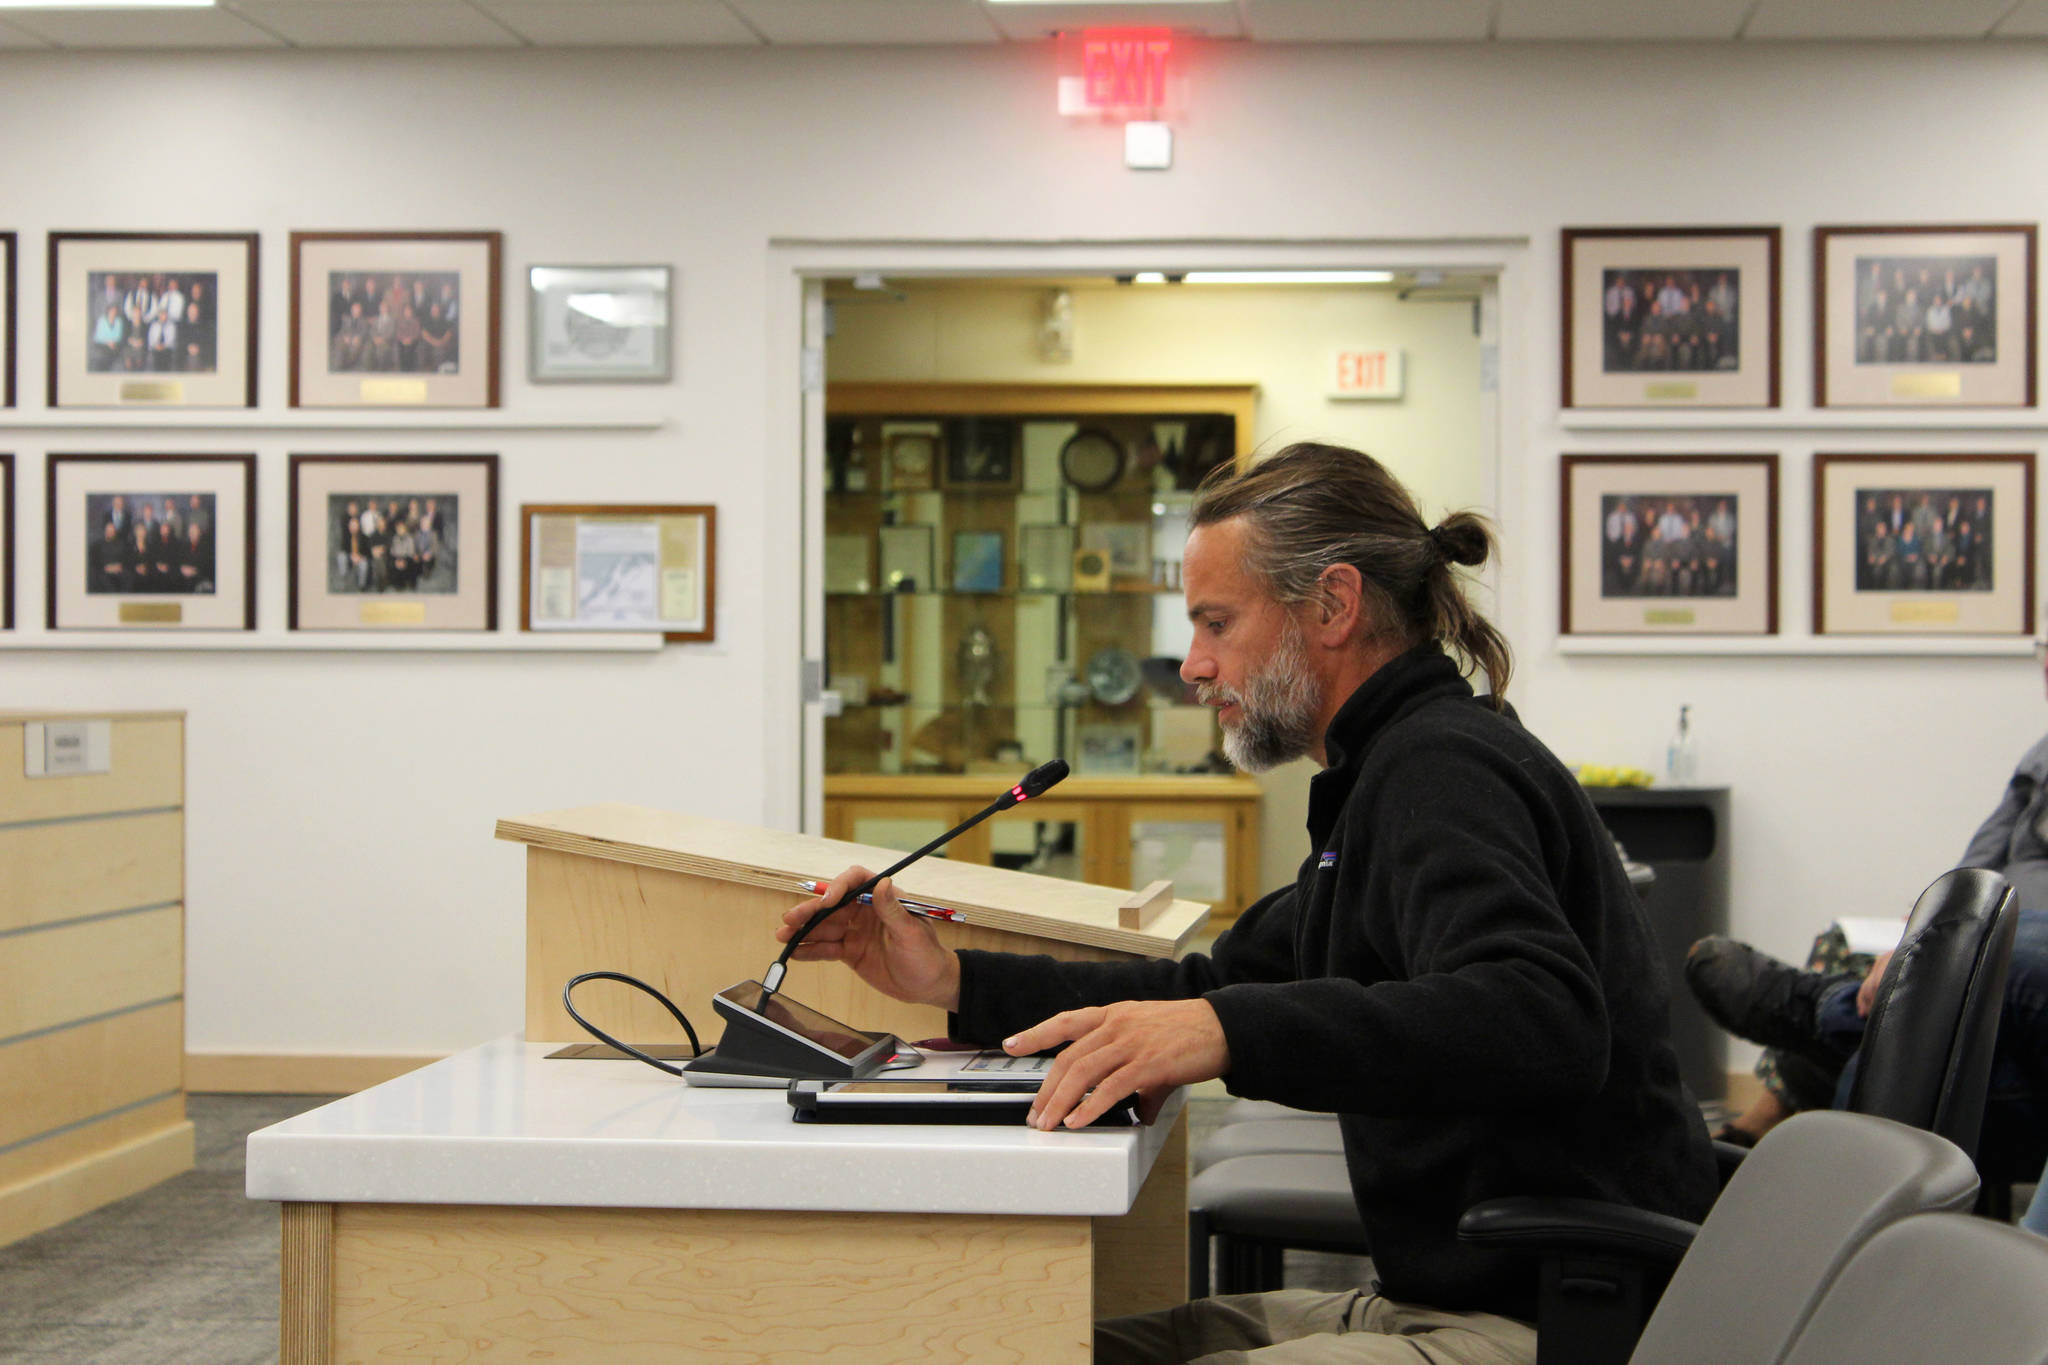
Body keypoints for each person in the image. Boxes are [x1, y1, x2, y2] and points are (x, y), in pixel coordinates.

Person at [780, 443, 1717, 1365]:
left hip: (1558, 1321)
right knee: (1046, 1349)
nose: (1192, 664)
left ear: (1334, 605)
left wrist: (1227, 1027)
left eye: (1217, 623)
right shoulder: (1386, 775)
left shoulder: (1444, 768)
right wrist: (949, 976)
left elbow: (1542, 1015)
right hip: (1453, 1297)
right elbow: (1207, 983)